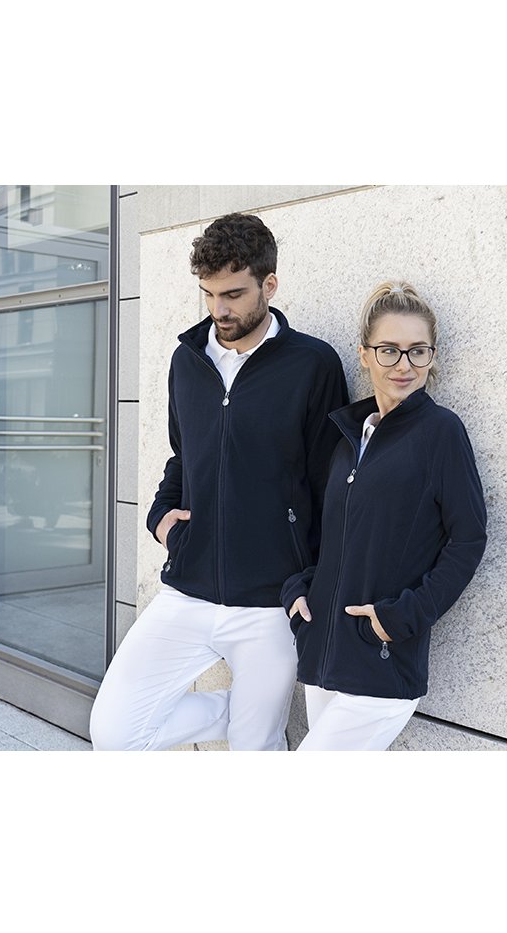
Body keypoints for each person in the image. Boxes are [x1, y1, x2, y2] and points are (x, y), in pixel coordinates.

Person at [90, 213, 349, 751]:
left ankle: (253, 722)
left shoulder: (313, 364)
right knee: (115, 733)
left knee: (255, 749)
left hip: (270, 601)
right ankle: (245, 714)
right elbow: (184, 456)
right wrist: (161, 519)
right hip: (189, 589)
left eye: (233, 294)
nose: (219, 310)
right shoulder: (187, 360)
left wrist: (314, 582)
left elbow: (330, 483)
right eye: (208, 294)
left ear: (269, 285)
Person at [281, 281, 487, 751]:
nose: (404, 365)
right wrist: (301, 588)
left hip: (381, 663)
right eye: (389, 350)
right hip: (324, 658)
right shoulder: (349, 437)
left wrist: (404, 615)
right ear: (364, 355)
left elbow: (468, 539)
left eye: (418, 351)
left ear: (432, 357)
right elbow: (334, 536)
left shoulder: (441, 433)